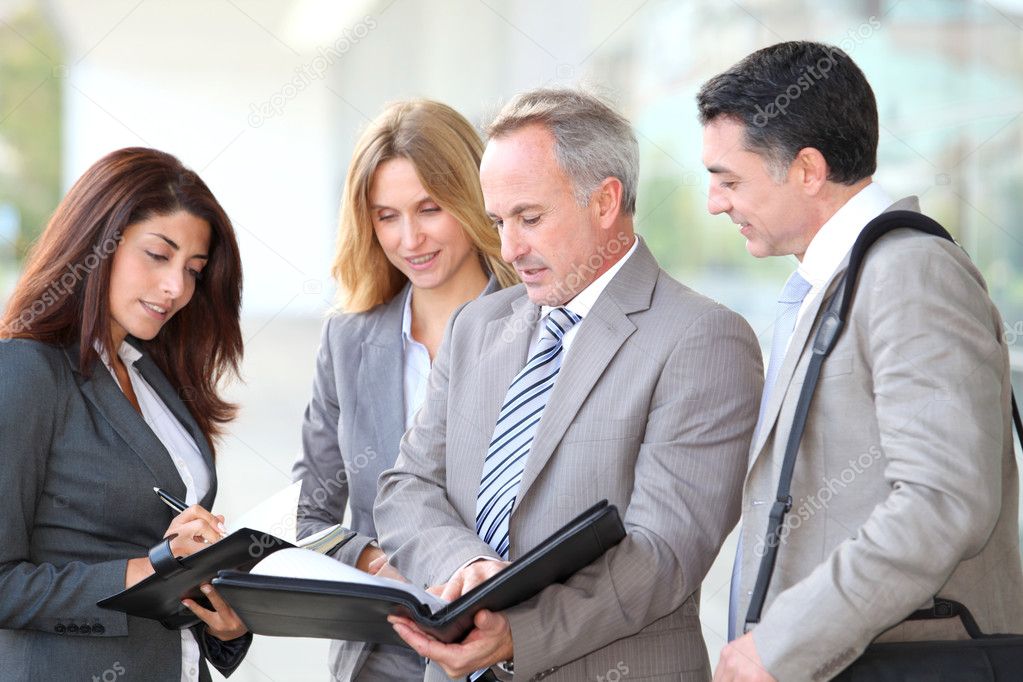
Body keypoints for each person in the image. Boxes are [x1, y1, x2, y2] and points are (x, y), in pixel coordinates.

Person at [373, 88, 763, 681]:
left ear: (605, 200)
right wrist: (466, 563)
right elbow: (407, 486)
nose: (509, 249)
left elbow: (661, 557)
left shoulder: (703, 340)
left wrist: (515, 636)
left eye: (529, 218)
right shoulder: (478, 326)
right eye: (499, 221)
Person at [698, 41, 1023, 682]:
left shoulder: (911, 272)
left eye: (729, 179)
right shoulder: (844, 281)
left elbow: (942, 501)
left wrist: (783, 642)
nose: (715, 203)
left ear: (809, 170)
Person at [0, 147, 251, 681]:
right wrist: (155, 567)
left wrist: (225, 622)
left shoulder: (150, 371)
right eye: (157, 255)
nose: (177, 288)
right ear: (96, 243)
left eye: (194, 270)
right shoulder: (26, 372)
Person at [291, 98, 518, 681]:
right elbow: (308, 515)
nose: (410, 238)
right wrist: (375, 560)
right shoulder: (349, 340)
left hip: (511, 651)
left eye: (429, 208)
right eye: (386, 215)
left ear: (474, 201)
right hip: (380, 655)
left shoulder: (543, 327)